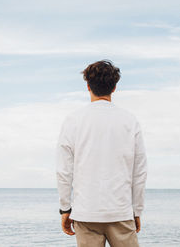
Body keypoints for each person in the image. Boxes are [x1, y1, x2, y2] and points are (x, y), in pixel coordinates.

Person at [56, 60, 148, 247]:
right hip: (120, 211)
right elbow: (139, 171)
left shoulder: (73, 121)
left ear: (88, 86)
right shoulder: (129, 121)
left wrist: (65, 209)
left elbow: (64, 171)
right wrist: (136, 210)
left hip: (86, 212)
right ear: (114, 88)